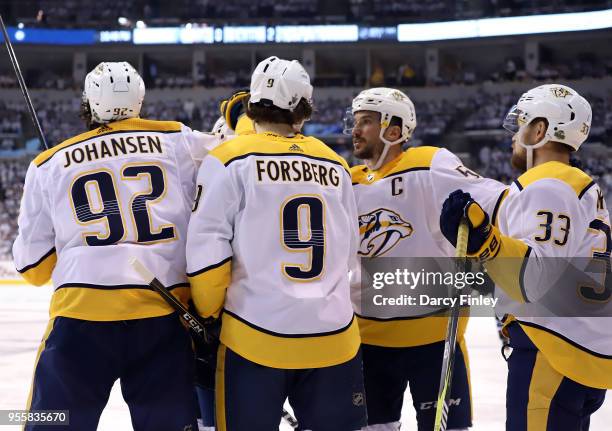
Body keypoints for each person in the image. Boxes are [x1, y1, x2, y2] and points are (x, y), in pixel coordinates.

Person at [13, 62, 219, 431]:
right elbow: (240, 148)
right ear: (139, 101)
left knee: (53, 424)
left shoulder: (49, 163)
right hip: (162, 317)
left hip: (81, 321)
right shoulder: (179, 140)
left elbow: (33, 270)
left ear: (89, 104)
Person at [186, 56, 367, 431]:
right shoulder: (334, 164)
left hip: (254, 339)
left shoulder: (228, 159)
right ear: (303, 109)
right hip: (333, 340)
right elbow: (351, 253)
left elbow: (208, 255)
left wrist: (206, 314)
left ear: (251, 103)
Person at [439, 84, 612, 430]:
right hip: (579, 352)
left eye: (521, 125)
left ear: (540, 130)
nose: (513, 137)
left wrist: (484, 242)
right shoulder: (577, 185)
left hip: (552, 350)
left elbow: (535, 277)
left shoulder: (548, 184)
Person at [345, 87, 506, 430]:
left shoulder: (430, 163)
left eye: (366, 122)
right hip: (369, 341)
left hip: (434, 340)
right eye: (355, 122)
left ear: (394, 129)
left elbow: (497, 201)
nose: (355, 130)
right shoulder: (349, 181)